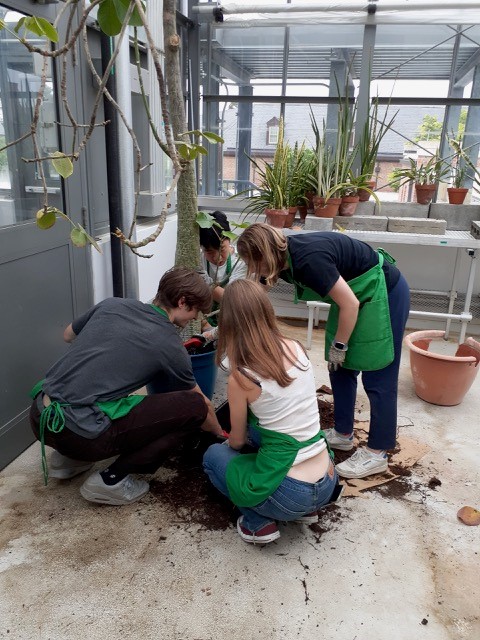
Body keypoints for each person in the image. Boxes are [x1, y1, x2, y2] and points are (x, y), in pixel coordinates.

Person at [29, 267, 224, 506]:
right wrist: (219, 435)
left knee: (93, 398)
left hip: (40, 415)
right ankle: (111, 480)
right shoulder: (168, 342)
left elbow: (68, 335)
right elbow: (201, 406)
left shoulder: (112, 305)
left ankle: (67, 461)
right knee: (192, 408)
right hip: (80, 434)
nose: (194, 319)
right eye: (194, 312)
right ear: (182, 301)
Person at [236, 223, 410, 480]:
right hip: (353, 295)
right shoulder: (277, 259)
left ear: (265, 254)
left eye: (253, 262)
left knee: (378, 373)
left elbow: (349, 303)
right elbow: (254, 296)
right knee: (338, 368)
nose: (252, 269)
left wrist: (340, 346)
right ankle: (343, 434)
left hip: (383, 292)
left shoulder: (308, 260)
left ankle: (377, 453)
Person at [203, 280, 341, 545]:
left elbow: (238, 441)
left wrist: (225, 437)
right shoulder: (298, 348)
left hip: (290, 492)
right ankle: (304, 511)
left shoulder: (242, 376)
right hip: (328, 480)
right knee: (267, 429)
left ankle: (258, 524)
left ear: (228, 320)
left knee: (213, 457)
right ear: (267, 311)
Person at [198, 210, 247, 338]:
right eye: (209, 252)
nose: (217, 257)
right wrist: (205, 326)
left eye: (222, 249)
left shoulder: (240, 261)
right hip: (203, 320)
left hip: (233, 321)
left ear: (229, 239)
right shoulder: (198, 260)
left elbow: (232, 299)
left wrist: (205, 283)